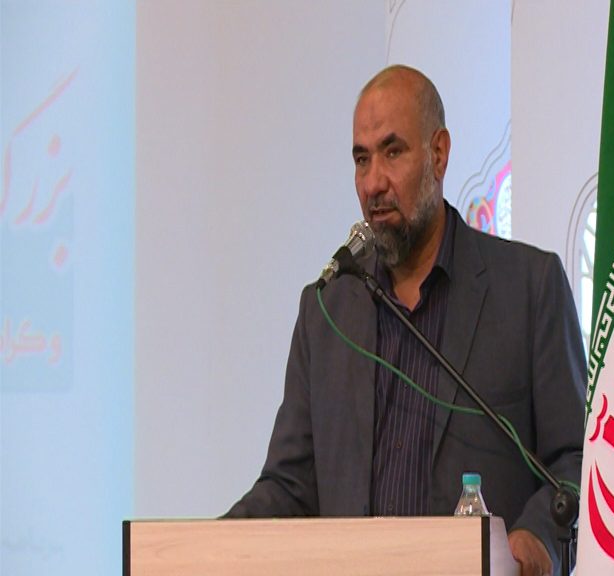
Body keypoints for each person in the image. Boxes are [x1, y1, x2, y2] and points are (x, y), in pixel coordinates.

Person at [225, 65, 586, 576]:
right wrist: (209, 545)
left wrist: (536, 540)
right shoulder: (326, 311)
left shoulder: (528, 287)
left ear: (438, 153)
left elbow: (575, 460)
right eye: (361, 159)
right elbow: (290, 487)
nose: (373, 182)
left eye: (392, 152)